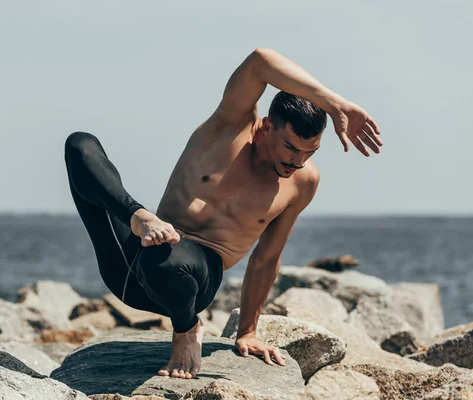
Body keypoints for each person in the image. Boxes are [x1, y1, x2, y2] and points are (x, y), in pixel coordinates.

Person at [63, 48, 382, 380]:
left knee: (167, 260)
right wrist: (336, 104)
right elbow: (260, 61)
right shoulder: (228, 127)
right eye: (290, 147)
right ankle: (138, 215)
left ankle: (187, 329)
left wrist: (248, 331)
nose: (297, 161)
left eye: (310, 151)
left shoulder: (303, 182)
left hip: (190, 276)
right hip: (130, 263)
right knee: (79, 145)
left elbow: (266, 258)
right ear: (268, 126)